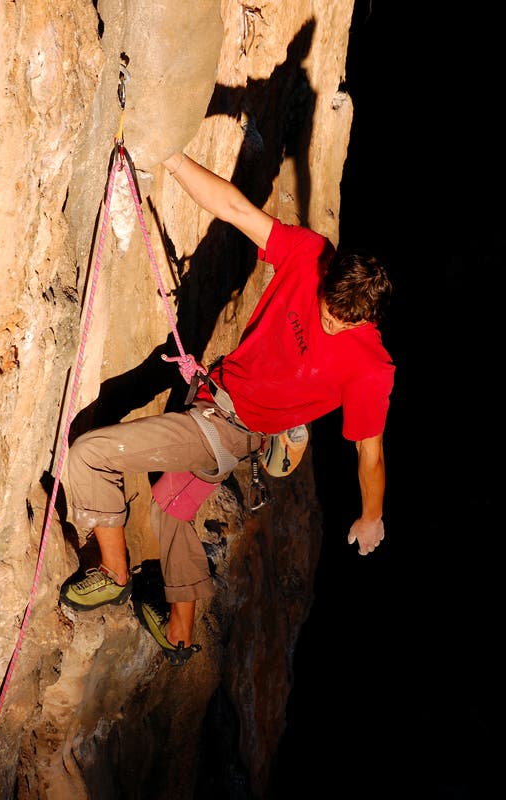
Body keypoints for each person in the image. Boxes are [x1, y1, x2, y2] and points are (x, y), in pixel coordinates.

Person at [60, 151, 395, 666]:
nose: (331, 326)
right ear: (328, 276)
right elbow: (236, 209)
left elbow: (369, 452)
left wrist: (371, 517)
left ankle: (115, 576)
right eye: (328, 311)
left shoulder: (371, 368)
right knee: (170, 508)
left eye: (345, 324)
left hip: (228, 427)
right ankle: (178, 633)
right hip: (215, 392)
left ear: (367, 320)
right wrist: (170, 158)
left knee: (89, 454)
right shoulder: (310, 255)